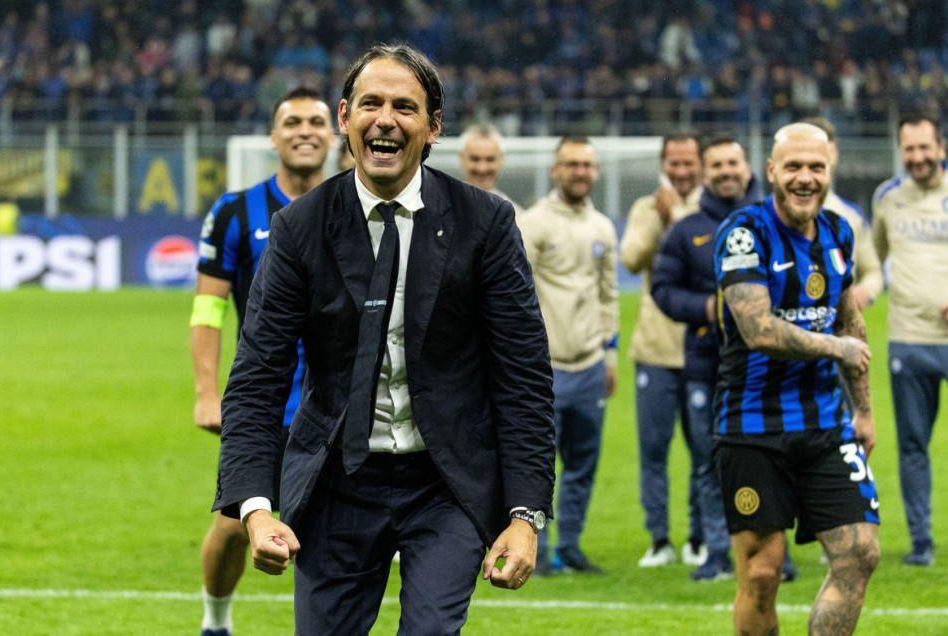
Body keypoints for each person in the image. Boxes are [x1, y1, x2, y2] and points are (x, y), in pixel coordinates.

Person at [211, 43, 556, 634]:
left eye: (405, 106)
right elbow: (257, 378)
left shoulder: (486, 224)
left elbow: (523, 376)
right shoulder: (298, 229)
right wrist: (255, 507)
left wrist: (525, 514)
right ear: (345, 118)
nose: (385, 119)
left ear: (433, 127)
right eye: (370, 103)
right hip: (337, 482)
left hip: (445, 483)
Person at [714, 122, 880, 634]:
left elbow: (850, 318)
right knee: (762, 573)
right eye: (793, 167)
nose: (805, 178)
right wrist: (836, 347)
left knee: (860, 553)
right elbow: (759, 329)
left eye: (816, 167)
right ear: (771, 172)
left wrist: (864, 409)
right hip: (751, 427)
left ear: (830, 171)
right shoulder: (744, 232)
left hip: (827, 425)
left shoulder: (839, 232)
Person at [190, 86, 335, 636]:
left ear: (334, 132)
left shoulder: (361, 204)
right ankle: (215, 623)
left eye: (316, 121)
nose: (304, 130)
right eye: (292, 121)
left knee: (338, 529)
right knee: (234, 524)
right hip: (267, 402)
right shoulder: (234, 212)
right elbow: (207, 310)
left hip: (340, 403)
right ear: (273, 138)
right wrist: (207, 392)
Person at [651, 134, 764, 581]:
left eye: (732, 163)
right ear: (705, 173)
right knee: (709, 463)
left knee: (766, 460)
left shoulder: (768, 223)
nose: (726, 172)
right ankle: (720, 552)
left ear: (747, 167)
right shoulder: (686, 229)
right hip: (704, 366)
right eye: (716, 165)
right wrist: (706, 308)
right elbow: (662, 289)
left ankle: (774, 550)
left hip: (762, 368)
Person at [872, 112, 948, 567]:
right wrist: (865, 290)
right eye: (908, 149)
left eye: (923, 148)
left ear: (941, 146)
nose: (916, 157)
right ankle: (921, 544)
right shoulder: (887, 199)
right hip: (908, 340)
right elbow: (873, 261)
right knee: (912, 445)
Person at [518, 136, 619, 575]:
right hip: (545, 368)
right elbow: (515, 295)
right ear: (555, 170)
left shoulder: (603, 227)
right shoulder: (535, 223)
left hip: (591, 364)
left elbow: (608, 293)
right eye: (572, 164)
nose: (580, 172)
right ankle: (535, 550)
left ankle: (570, 547)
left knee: (582, 464)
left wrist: (609, 353)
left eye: (587, 165)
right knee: (537, 465)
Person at [620, 132, 706, 568]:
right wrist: (660, 220)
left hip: (701, 350)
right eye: (674, 162)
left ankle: (697, 535)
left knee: (703, 450)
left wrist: (679, 220)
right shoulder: (644, 209)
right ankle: (659, 539)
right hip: (654, 350)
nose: (681, 170)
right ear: (663, 164)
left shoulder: (712, 214)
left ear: (702, 165)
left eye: (689, 162)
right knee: (654, 451)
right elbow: (631, 260)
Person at [800, 116, 883, 309]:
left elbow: (873, 270)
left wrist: (866, 291)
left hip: (840, 332)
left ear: (835, 152)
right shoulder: (770, 215)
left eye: (827, 152)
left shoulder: (851, 215)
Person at [457, 122, 518, 207]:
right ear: (462, 158)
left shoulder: (516, 216)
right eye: (475, 159)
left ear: (501, 160)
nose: (482, 168)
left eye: (490, 160)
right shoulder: (441, 209)